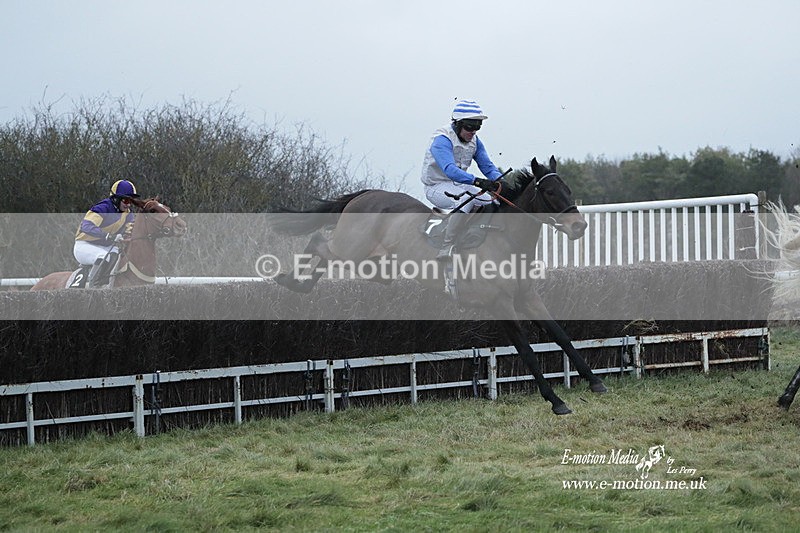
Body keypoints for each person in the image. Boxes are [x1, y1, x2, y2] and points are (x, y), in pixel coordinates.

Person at [421, 99, 503, 259]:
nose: (473, 132)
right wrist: (478, 181)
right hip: (436, 187)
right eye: (470, 127)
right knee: (465, 199)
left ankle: (477, 237)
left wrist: (500, 182)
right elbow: (450, 170)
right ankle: (446, 246)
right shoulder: (441, 140)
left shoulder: (475, 142)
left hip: (459, 185)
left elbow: (487, 167)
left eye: (477, 127)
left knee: (492, 201)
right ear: (458, 124)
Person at [74, 179, 140, 287]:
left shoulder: (128, 214)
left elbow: (130, 230)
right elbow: (86, 226)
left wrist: (128, 237)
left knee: (116, 254)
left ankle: (106, 283)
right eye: (126, 201)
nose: (129, 205)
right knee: (103, 256)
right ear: (116, 199)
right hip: (84, 245)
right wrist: (108, 236)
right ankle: (93, 287)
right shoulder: (102, 208)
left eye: (131, 201)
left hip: (105, 246)